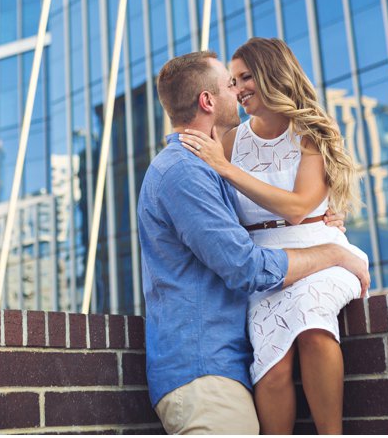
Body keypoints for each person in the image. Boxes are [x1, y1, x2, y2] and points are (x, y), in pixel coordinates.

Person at [138, 50, 370, 435]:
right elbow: (246, 266)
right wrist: (330, 252)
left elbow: (273, 213)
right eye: (231, 82)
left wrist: (322, 218)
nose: (238, 90)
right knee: (274, 368)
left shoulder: (203, 166)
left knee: (315, 329)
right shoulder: (188, 171)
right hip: (203, 371)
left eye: (243, 79)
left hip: (217, 365)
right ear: (207, 101)